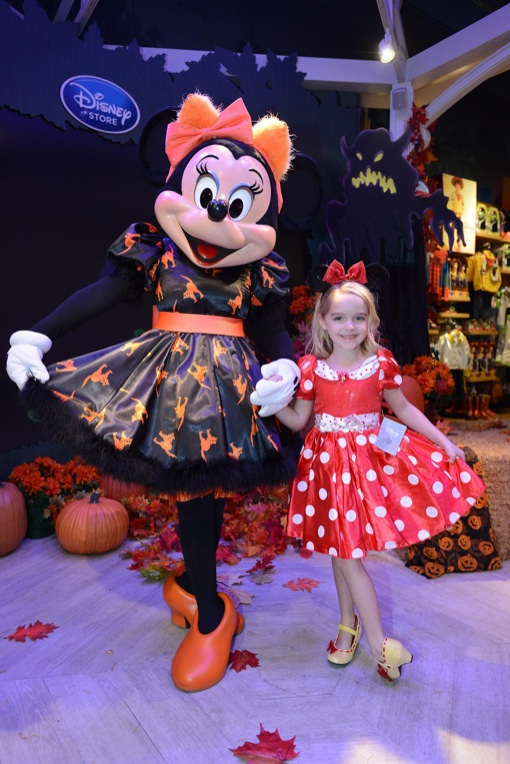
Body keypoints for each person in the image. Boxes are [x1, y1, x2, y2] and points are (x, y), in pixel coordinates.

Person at [6, 93, 300, 692]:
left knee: (210, 492)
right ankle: (211, 614)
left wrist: (288, 368)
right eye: (208, 194)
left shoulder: (259, 271)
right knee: (193, 493)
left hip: (230, 394)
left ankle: (194, 591)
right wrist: (41, 333)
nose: (217, 215)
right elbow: (103, 294)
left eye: (238, 204)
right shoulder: (157, 250)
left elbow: (274, 329)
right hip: (170, 387)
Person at [267, 259, 486, 681]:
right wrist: (272, 402)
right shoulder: (311, 368)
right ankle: (355, 632)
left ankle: (375, 642)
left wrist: (443, 442)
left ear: (371, 321)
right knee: (342, 551)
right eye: (339, 318)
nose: (349, 327)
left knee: (348, 554)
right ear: (323, 321)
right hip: (327, 469)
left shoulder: (381, 363)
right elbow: (298, 420)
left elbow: (403, 409)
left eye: (358, 318)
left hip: (369, 466)